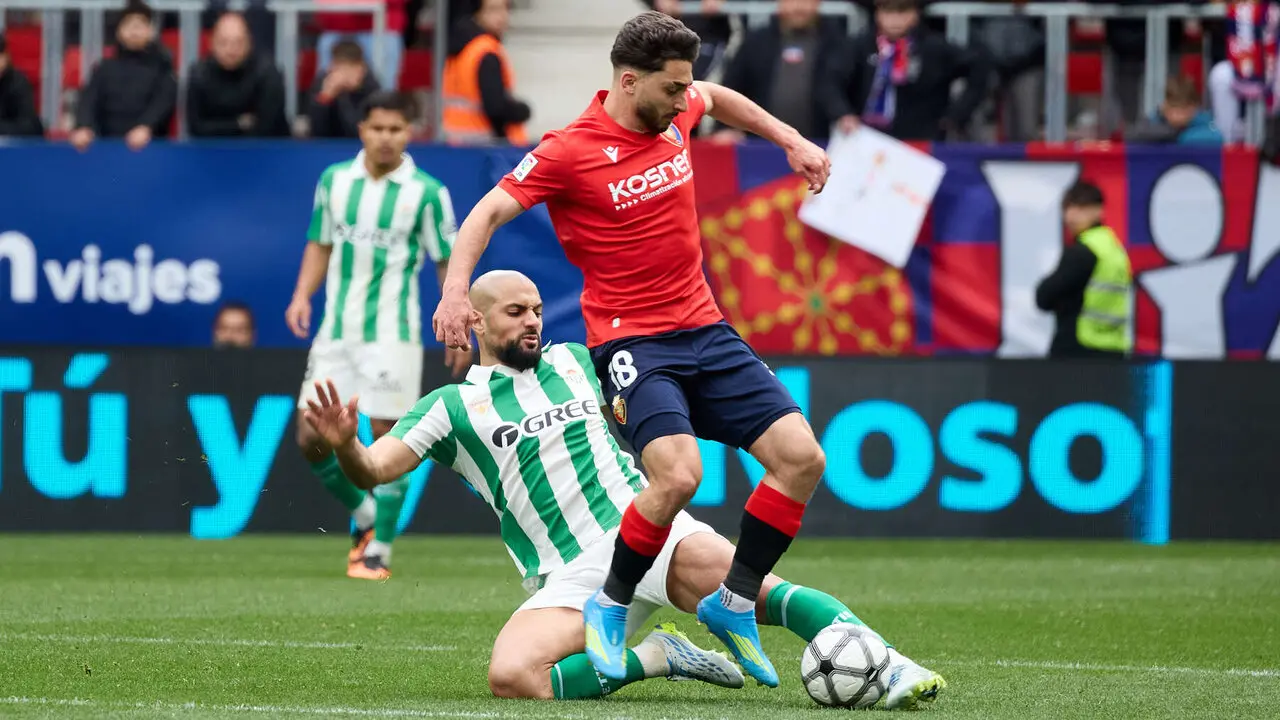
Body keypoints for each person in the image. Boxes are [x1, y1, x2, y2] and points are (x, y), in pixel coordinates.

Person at [304, 270, 946, 708]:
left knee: (762, 593)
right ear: (475, 319)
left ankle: (892, 664)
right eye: (515, 312)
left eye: (536, 310)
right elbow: (375, 470)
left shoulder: (580, 360)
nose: (532, 321)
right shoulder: (448, 407)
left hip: (648, 532)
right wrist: (346, 445)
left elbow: (664, 381)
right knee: (513, 676)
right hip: (568, 576)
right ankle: (661, 655)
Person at [431, 11, 832, 688]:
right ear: (628, 81)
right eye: (672, 88)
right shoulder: (567, 151)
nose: (684, 100)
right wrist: (453, 292)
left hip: (705, 328)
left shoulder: (677, 107)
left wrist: (790, 139)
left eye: (684, 86)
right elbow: (488, 212)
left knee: (802, 459)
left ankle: (734, 603)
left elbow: (717, 97)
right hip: (632, 340)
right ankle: (611, 606)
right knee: (678, 476)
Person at [287, 91, 471, 580]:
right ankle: (365, 514)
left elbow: (446, 260)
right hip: (336, 332)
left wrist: (456, 323)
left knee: (391, 437)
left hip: (394, 332)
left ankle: (379, 551)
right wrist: (302, 294)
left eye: (396, 129)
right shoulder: (334, 181)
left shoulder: (426, 192)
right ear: (362, 130)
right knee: (310, 435)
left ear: (409, 133)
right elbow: (320, 243)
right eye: (378, 128)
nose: (386, 138)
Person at [1035, 182, 1133, 359]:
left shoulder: (1084, 251)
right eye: (1068, 208)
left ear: (1099, 211)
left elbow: (1044, 297)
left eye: (1080, 208)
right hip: (1114, 349)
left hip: (1078, 349)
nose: (1071, 216)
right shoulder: (1114, 250)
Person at [70, 0, 177, 152]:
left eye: (140, 25)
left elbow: (162, 103)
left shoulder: (163, 68)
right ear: (119, 31)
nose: (134, 31)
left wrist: (146, 126)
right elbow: (88, 99)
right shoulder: (104, 68)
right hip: (105, 146)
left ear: (151, 31)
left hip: (150, 147)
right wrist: (84, 126)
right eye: (129, 25)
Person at [441, 0, 531, 145]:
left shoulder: (460, 48)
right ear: (477, 13)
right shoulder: (485, 52)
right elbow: (495, 107)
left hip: (455, 140)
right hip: (484, 142)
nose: (502, 16)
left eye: (506, 9)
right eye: (493, 10)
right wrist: (522, 111)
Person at [186, 12, 288, 138]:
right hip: (212, 148)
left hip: (264, 148)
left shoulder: (268, 73)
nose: (231, 49)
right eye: (223, 42)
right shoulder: (199, 74)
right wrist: (238, 124)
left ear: (250, 43)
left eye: (238, 42)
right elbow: (196, 128)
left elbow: (266, 129)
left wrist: (219, 126)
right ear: (211, 43)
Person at [307, 40, 381, 139]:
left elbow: (359, 133)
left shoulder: (372, 87)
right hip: (328, 144)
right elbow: (316, 132)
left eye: (349, 68)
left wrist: (344, 95)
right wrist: (325, 97)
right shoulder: (322, 83)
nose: (343, 75)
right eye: (339, 67)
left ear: (361, 68)